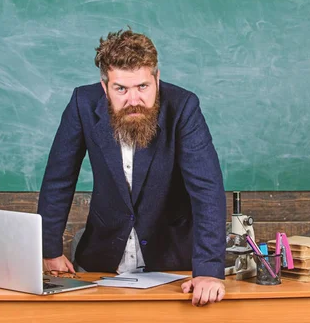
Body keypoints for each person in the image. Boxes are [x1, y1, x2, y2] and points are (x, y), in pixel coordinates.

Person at [37, 29, 227, 306]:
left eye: (143, 87)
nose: (134, 99)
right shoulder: (82, 103)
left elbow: (207, 190)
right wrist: (49, 249)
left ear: (156, 79)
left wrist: (209, 270)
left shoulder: (184, 106)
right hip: (101, 260)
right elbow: (59, 179)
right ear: (105, 87)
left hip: (172, 262)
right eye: (121, 89)